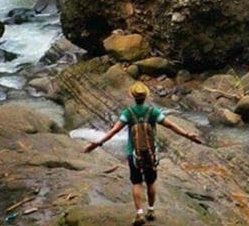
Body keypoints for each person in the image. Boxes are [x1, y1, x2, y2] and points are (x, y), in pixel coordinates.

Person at [84, 82, 203, 226]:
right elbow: (170, 125)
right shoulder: (153, 112)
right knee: (151, 182)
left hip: (133, 154)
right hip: (151, 153)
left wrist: (98, 143)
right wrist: (188, 134)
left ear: (132, 96)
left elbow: (114, 131)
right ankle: (151, 210)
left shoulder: (128, 113)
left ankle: (139, 213)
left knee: (137, 183)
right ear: (146, 96)